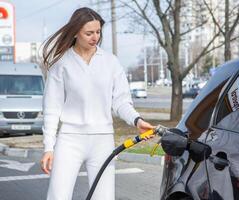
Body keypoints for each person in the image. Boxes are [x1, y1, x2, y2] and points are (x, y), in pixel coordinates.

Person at [40, 7, 154, 200]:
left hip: (102, 140)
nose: (95, 37)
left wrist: (137, 120)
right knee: (58, 197)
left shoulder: (111, 62)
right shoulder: (62, 64)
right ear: (76, 32)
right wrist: (48, 147)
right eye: (89, 33)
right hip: (70, 140)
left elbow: (121, 102)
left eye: (98, 32)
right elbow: (51, 109)